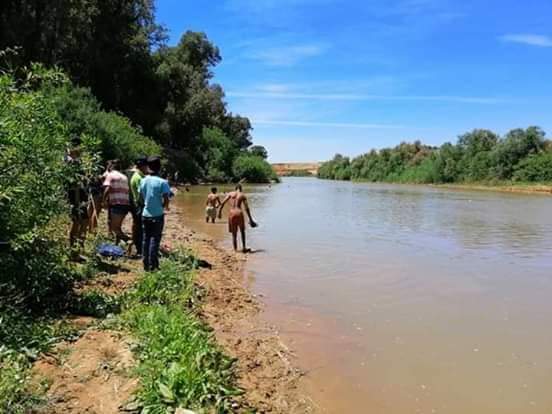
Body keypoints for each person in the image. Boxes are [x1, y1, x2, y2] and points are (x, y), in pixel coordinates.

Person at [139, 156, 171, 271]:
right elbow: (166, 198)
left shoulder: (143, 180)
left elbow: (141, 197)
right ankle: (153, 266)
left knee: (145, 239)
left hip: (145, 214)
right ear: (159, 167)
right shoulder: (163, 182)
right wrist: (164, 207)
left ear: (148, 167)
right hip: (157, 215)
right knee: (154, 240)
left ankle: (146, 264)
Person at [65, 136, 89, 257]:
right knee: (77, 221)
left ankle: (78, 247)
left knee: (84, 221)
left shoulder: (78, 161)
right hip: (75, 195)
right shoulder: (70, 161)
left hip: (81, 194)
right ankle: (73, 250)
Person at [218, 184, 257, 252]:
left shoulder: (230, 194)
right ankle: (244, 247)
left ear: (235, 188)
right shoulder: (242, 195)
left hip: (231, 213)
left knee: (234, 233)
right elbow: (246, 208)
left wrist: (219, 212)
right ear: (241, 189)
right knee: (242, 231)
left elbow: (223, 203)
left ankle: (235, 249)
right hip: (239, 212)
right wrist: (251, 219)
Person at [102, 159, 130, 244]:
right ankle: (116, 244)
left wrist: (103, 201)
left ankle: (129, 241)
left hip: (116, 203)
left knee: (114, 228)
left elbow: (107, 188)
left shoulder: (110, 175)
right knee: (118, 227)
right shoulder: (124, 177)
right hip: (125, 204)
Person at [129, 156, 148, 257]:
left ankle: (140, 248)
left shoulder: (138, 176)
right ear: (143, 166)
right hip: (140, 205)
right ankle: (140, 250)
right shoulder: (139, 178)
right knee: (141, 229)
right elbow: (143, 194)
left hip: (139, 205)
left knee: (139, 227)